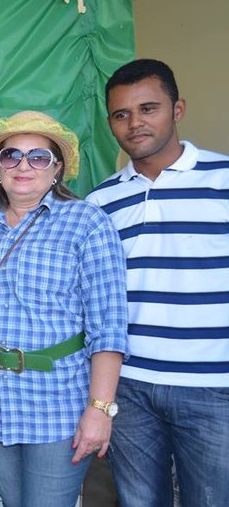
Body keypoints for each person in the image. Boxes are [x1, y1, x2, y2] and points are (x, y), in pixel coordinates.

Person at [86, 59, 229, 507]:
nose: (135, 124)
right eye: (121, 114)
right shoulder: (100, 202)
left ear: (177, 109)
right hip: (129, 389)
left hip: (213, 386)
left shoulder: (223, 181)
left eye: (149, 108)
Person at [0, 111, 128, 507]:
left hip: (57, 404)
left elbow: (109, 325)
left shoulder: (86, 222)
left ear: (57, 169)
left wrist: (100, 409)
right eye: (12, 156)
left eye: (39, 157)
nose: (24, 165)